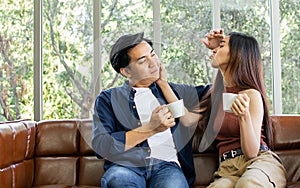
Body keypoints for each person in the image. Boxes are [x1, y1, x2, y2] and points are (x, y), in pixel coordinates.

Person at [92, 32, 210, 188]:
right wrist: (150, 129)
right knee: (119, 180)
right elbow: (102, 145)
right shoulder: (108, 99)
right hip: (127, 166)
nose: (153, 63)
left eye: (153, 55)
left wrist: (217, 51)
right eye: (142, 61)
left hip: (168, 167)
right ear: (126, 71)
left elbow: (218, 90)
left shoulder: (173, 91)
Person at [198, 30, 287, 187]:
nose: (215, 50)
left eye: (222, 45)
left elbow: (252, 152)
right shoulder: (213, 96)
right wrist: (162, 82)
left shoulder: (251, 94)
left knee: (247, 184)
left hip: (258, 162)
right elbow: (184, 115)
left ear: (237, 54)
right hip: (227, 169)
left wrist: (243, 116)